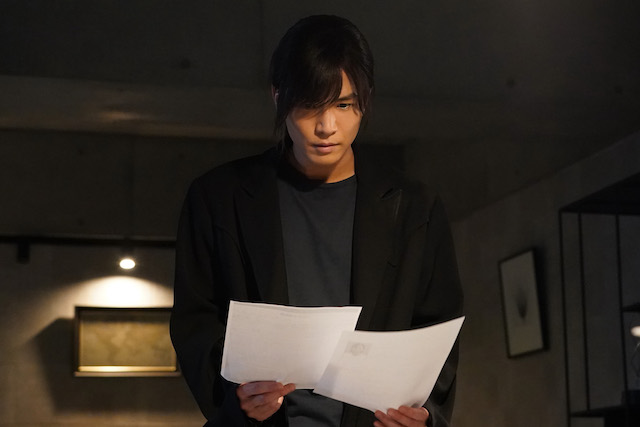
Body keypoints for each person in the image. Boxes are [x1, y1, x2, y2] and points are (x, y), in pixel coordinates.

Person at [170, 14, 463, 427]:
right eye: (309, 105)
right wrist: (236, 400)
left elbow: (438, 327)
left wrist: (425, 414)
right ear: (278, 97)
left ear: (365, 100)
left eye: (343, 105)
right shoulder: (219, 198)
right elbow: (196, 320)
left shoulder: (414, 208)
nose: (327, 127)